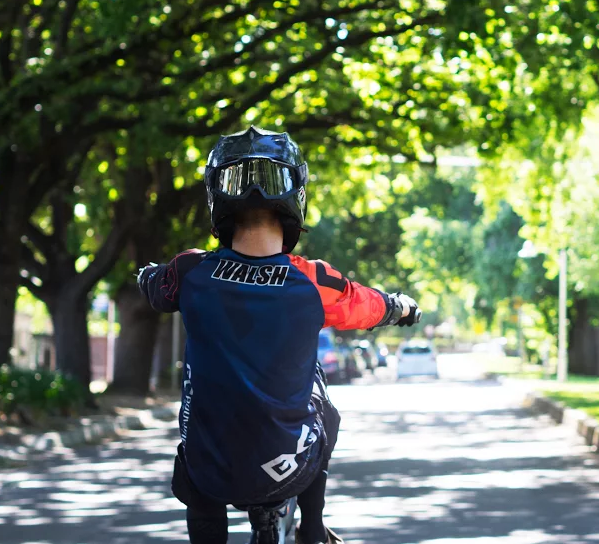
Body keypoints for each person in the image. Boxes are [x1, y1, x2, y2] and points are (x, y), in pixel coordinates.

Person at [137, 126, 421, 544]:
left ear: (217, 198)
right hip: (287, 466)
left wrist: (145, 273)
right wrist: (402, 306)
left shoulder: (190, 271)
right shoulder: (315, 280)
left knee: (196, 466)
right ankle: (311, 524)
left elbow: (155, 288)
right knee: (322, 396)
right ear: (295, 199)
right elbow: (372, 306)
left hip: (211, 471)